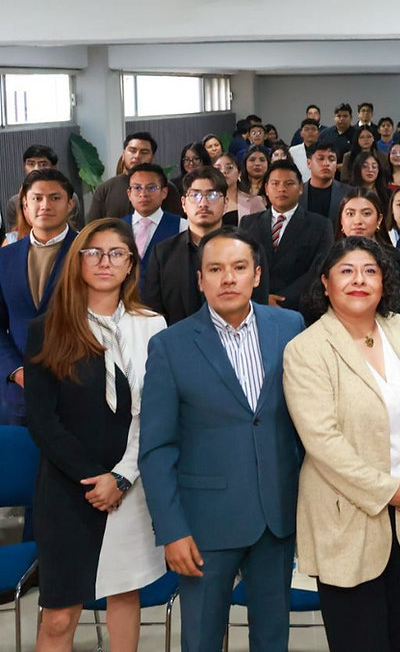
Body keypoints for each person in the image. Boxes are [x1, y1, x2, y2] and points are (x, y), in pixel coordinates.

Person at [140, 226, 303, 652]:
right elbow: (156, 449)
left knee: (273, 638)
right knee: (201, 639)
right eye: (215, 269)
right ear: (200, 280)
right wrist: (171, 530)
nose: (228, 278)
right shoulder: (170, 346)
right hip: (203, 525)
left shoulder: (290, 327)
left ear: (256, 275)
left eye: (239, 267)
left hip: (276, 517)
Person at [282, 236, 400, 652]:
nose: (359, 280)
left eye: (370, 271)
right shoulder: (306, 349)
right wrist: (389, 490)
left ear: (383, 280)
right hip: (345, 520)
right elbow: (322, 442)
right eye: (347, 271)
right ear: (325, 283)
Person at [26, 218, 165, 651]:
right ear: (78, 260)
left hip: (131, 484)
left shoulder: (152, 325)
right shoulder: (47, 328)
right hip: (69, 487)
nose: (105, 262)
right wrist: (95, 478)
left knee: (124, 596)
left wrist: (121, 477)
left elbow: (157, 413)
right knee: (59, 615)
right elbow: (42, 421)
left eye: (117, 254)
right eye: (94, 253)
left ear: (130, 265)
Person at [142, 167, 269, 326]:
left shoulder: (248, 249)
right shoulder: (163, 254)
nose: (203, 203)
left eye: (212, 195)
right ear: (183, 203)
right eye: (195, 195)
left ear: (226, 203)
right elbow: (153, 313)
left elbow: (259, 307)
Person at [0, 168, 78, 424]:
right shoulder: (5, 258)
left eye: (55, 198)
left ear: (70, 204)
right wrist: (16, 371)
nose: (45, 205)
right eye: (37, 198)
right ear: (25, 205)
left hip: (78, 388)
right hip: (20, 393)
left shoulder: (89, 253)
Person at [241, 160, 335, 312]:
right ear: (266, 188)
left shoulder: (320, 225)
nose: (281, 189)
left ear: (300, 188)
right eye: (275, 184)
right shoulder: (248, 223)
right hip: (254, 306)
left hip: (300, 308)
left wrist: (283, 301)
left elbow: (318, 269)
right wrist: (263, 298)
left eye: (289, 183)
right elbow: (241, 265)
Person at [335, 188, 400, 320]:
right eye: (350, 214)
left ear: (379, 220)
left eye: (366, 213)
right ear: (341, 221)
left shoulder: (398, 261)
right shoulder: (329, 261)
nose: (358, 221)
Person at [89, 133, 183, 221]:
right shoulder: (105, 189)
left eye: (144, 152)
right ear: (123, 154)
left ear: (152, 157)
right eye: (132, 151)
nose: (137, 156)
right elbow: (93, 227)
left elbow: (177, 223)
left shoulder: (165, 188)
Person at [122, 163, 188, 290]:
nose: (143, 194)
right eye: (137, 188)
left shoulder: (182, 226)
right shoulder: (117, 228)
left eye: (151, 188)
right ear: (129, 194)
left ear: (164, 192)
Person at [5, 145, 68, 232]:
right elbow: (16, 233)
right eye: (31, 164)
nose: (36, 168)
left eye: (43, 164)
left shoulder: (68, 198)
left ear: (54, 167)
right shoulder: (14, 202)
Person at [299, 141, 351, 222]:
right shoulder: (296, 193)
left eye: (331, 159)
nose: (326, 163)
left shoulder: (349, 193)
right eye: (321, 159)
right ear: (309, 163)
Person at [213, 153, 264, 224]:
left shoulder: (254, 202)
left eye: (229, 167)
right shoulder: (204, 201)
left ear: (239, 173)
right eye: (218, 169)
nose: (223, 171)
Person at [289, 118, 321, 182]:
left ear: (318, 133)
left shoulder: (324, 151)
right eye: (307, 129)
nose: (310, 132)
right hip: (299, 184)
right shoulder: (292, 151)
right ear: (301, 133)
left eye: (313, 129)